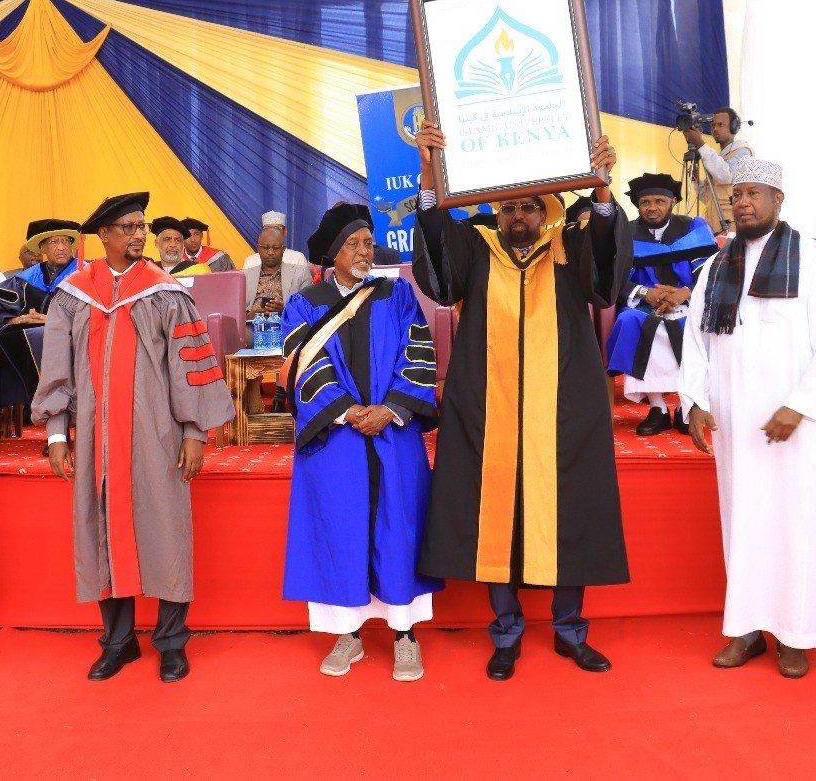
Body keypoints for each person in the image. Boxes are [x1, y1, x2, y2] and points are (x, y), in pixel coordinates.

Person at [410, 120, 631, 680]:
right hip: (490, 407)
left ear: (544, 211)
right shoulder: (479, 250)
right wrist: (430, 174)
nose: (517, 217)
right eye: (508, 208)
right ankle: (505, 633)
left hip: (565, 409)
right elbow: (439, 265)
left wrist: (602, 187)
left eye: (528, 208)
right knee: (494, 513)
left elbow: (605, 272)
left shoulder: (569, 246)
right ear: (497, 213)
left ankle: (570, 631)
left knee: (569, 511)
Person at [32, 192, 234, 683]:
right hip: (96, 439)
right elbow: (56, 368)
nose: (140, 235)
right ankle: (118, 642)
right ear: (104, 234)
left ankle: (171, 642)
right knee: (102, 532)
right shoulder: (74, 295)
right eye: (129, 227)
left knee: (166, 529)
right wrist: (57, 435)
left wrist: (195, 432)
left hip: (156, 435)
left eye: (142, 226)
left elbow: (191, 368)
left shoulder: (165, 292)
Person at [681, 158, 816, 678]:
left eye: (754, 193)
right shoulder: (717, 266)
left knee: (797, 523)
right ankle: (748, 628)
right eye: (737, 195)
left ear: (779, 200)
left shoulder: (813, 259)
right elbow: (696, 340)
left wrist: (800, 404)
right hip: (736, 420)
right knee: (744, 522)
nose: (743, 203)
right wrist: (695, 401)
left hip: (796, 424)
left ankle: (796, 634)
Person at [282, 204, 442, 681]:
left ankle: (405, 635)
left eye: (368, 243)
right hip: (337, 438)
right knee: (340, 528)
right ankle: (347, 633)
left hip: (393, 431)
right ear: (333, 253)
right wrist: (348, 412)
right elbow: (302, 367)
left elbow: (418, 351)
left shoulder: (397, 294)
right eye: (353, 244)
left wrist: (389, 409)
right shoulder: (305, 303)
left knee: (400, 528)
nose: (364, 252)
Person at [606, 173, 719, 435]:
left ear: (672, 202)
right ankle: (658, 408)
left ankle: (683, 406)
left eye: (659, 201)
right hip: (643, 302)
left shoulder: (692, 229)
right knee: (629, 321)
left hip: (688, 300)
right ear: (638, 205)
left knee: (693, 325)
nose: (652, 207)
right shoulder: (626, 234)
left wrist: (685, 293)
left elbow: (710, 272)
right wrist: (645, 292)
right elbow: (614, 278)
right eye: (645, 202)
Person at [0, 219, 82, 449]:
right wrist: (14, 319)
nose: (61, 247)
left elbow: (96, 314)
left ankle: (58, 436)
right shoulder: (25, 279)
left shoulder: (85, 275)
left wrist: (52, 321)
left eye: (66, 241)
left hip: (69, 341)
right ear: (43, 248)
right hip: (22, 341)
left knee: (47, 345)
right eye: (54, 242)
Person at [682, 107, 754, 234]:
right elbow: (709, 199)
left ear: (734, 127)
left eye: (720, 125)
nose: (715, 129)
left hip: (733, 228)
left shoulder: (744, 151)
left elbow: (726, 175)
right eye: (713, 125)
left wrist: (700, 144)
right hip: (715, 227)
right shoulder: (717, 159)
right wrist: (695, 180)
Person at [244, 224, 310, 336]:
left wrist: (284, 311)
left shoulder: (300, 273)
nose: (270, 252)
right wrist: (248, 317)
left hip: (287, 329)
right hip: (251, 329)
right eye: (265, 248)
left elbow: (307, 309)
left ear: (283, 249)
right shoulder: (245, 276)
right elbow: (233, 311)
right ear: (258, 248)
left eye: (275, 248)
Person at [242, 211, 308, 269]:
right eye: (267, 228)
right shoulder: (251, 261)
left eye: (277, 228)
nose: (272, 232)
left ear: (285, 232)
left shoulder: (298, 258)